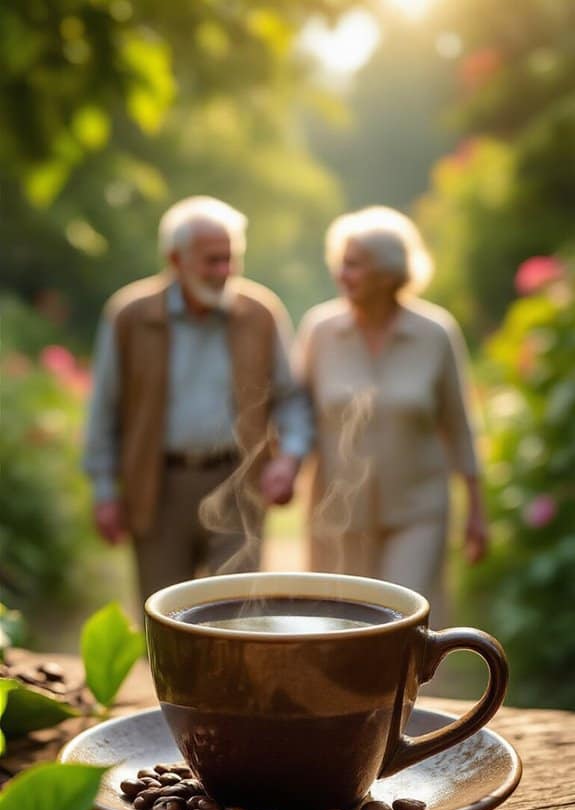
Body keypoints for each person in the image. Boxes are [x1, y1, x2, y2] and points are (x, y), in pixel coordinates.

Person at [84, 196, 313, 603]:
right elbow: (105, 407)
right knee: (167, 617)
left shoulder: (260, 312)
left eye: (231, 259)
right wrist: (104, 491)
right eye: (212, 260)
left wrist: (289, 459)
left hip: (239, 485)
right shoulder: (130, 316)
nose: (224, 271)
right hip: (157, 489)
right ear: (176, 258)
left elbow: (291, 398)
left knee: (238, 620)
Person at [294, 206, 487, 620]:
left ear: (387, 274)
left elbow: (460, 423)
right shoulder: (320, 331)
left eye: (354, 265)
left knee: (404, 618)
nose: (341, 274)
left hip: (418, 509)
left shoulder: (435, 333)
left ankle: (409, 687)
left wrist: (477, 509)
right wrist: (284, 466)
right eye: (340, 263)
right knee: (344, 625)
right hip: (339, 512)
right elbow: (297, 411)